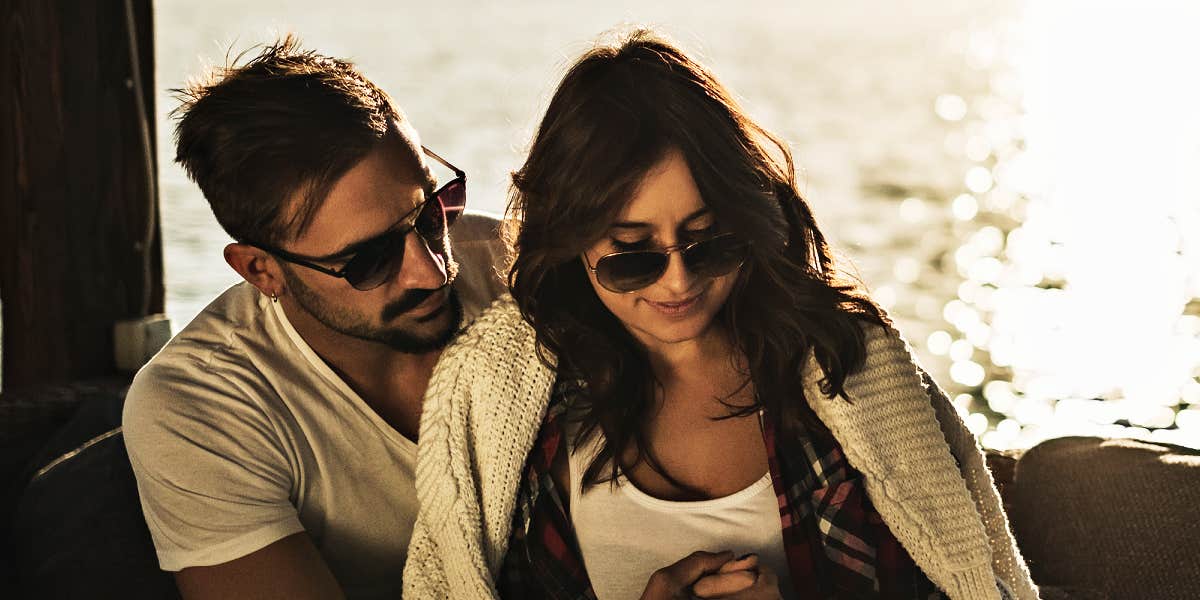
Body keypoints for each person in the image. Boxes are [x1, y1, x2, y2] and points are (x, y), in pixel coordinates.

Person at [404, 30, 1039, 600]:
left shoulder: (853, 368)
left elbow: (968, 582)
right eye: (632, 256)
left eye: (710, 241)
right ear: (573, 243)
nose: (679, 281)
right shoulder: (493, 397)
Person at [121, 37, 506, 599]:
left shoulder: (511, 263)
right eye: (368, 260)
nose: (431, 271)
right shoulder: (199, 405)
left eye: (432, 212)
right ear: (261, 270)